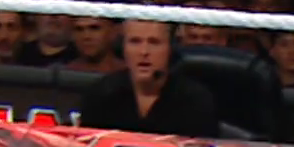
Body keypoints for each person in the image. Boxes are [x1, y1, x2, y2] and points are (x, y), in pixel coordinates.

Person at [76, 19, 220, 137]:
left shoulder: (195, 100)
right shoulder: (100, 94)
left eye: (154, 42)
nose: (144, 52)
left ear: (170, 49)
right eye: (135, 41)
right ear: (123, 48)